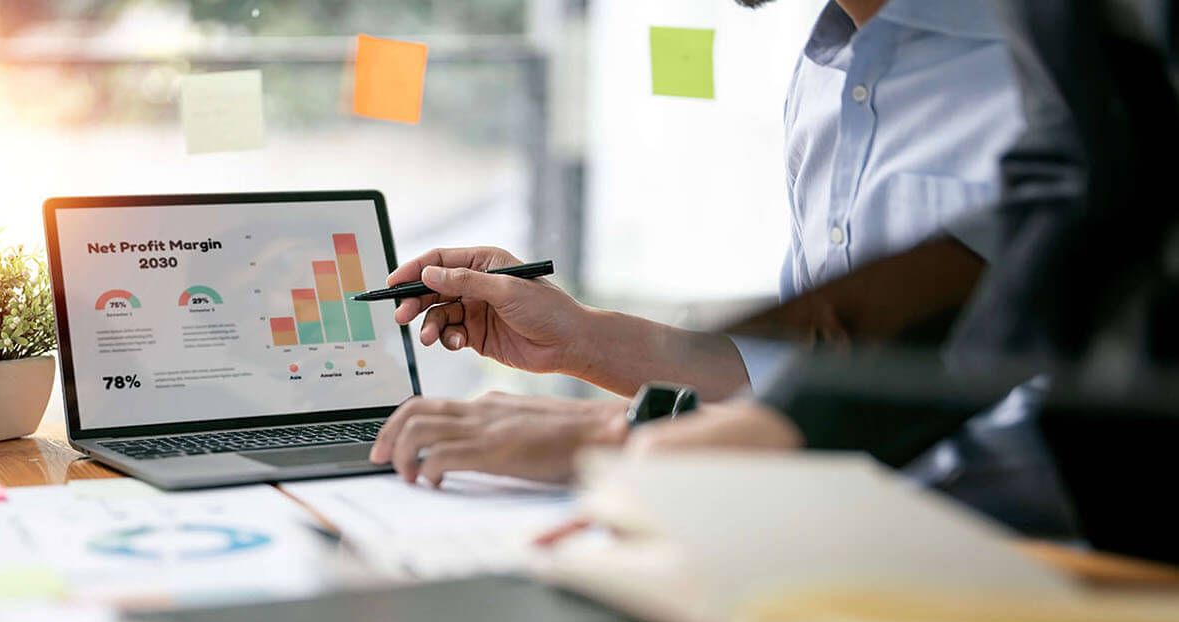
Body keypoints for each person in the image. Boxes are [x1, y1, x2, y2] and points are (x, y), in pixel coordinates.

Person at [370, 0, 1029, 487]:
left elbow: (1041, 434)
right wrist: (580, 337)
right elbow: (805, 369)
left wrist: (629, 441)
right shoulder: (829, 74)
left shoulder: (1062, 73)